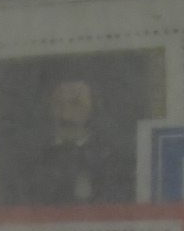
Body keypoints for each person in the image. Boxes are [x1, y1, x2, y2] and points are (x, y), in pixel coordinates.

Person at [13, 77, 132, 205]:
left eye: (76, 104)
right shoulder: (32, 160)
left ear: (94, 108)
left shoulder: (112, 160)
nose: (65, 115)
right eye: (58, 104)